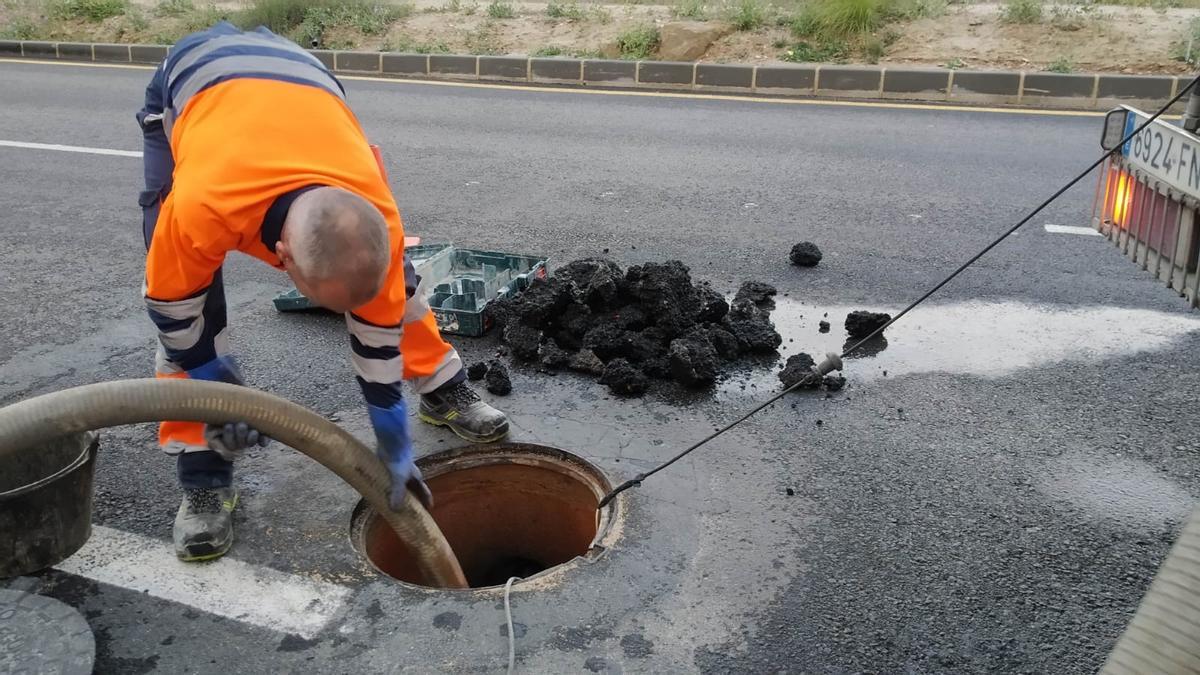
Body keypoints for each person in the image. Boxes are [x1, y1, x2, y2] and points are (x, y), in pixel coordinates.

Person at [136, 22, 508, 562]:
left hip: (303, 82)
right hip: (194, 83)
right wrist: (216, 392)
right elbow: (172, 313)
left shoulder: (377, 211)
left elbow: (379, 328)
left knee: (394, 290)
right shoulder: (198, 209)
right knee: (195, 314)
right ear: (280, 258)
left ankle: (440, 384)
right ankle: (204, 472)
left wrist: (396, 446)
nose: (350, 318)